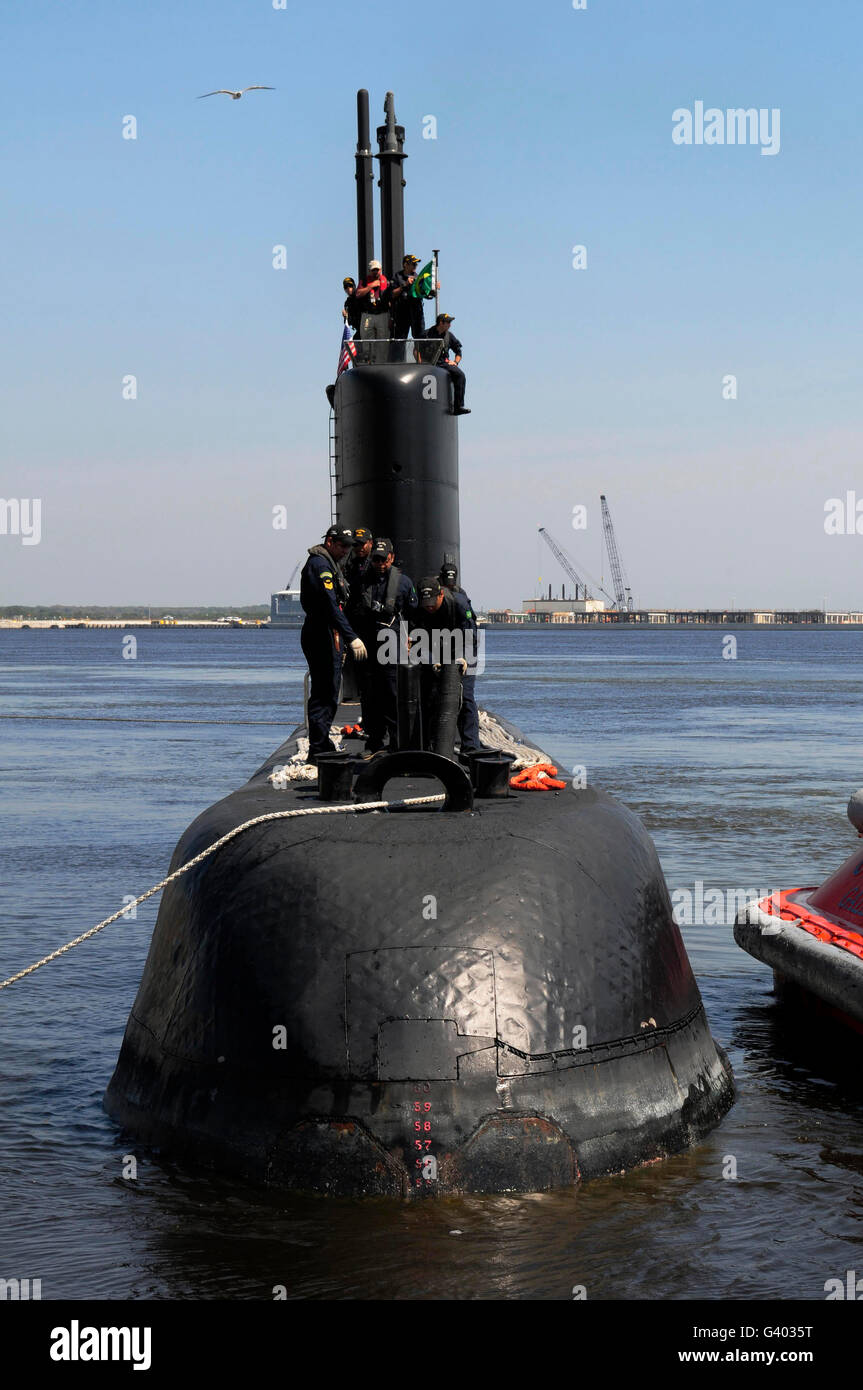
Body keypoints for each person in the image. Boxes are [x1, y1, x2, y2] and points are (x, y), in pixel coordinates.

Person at [299, 525, 367, 764]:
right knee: (324, 693)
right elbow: (329, 606)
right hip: (322, 634)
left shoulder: (330, 564)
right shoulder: (320, 566)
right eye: (342, 545)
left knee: (328, 692)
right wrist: (352, 637)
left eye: (349, 547)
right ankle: (317, 750)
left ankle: (321, 742)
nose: (346, 551)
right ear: (329, 542)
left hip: (328, 633)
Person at [350, 537, 417, 755]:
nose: (380, 564)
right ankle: (374, 742)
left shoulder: (403, 583)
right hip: (368, 643)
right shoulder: (362, 579)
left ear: (392, 558)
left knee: (391, 694)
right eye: (376, 560)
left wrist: (412, 640)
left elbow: (413, 615)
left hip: (391, 642)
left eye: (384, 560)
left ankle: (398, 744)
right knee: (370, 696)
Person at [410, 575, 480, 752]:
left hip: (463, 646)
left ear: (441, 594)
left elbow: (470, 635)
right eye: (426, 604)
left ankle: (470, 747)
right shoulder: (419, 609)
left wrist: (462, 658)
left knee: (464, 697)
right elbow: (418, 639)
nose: (430, 607)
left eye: (433, 602)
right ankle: (429, 743)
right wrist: (433, 660)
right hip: (437, 647)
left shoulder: (459, 604)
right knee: (430, 695)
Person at [417, 313, 470, 414]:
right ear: (441, 323)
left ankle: (458, 406)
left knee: (460, 375)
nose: (450, 325)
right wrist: (420, 364)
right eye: (448, 322)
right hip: (429, 363)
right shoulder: (426, 334)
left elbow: (458, 352)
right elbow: (416, 349)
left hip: (443, 363)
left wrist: (455, 362)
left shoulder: (449, 336)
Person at [354, 259, 390, 350]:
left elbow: (391, 299)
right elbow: (358, 294)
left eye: (377, 270)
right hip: (368, 314)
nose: (375, 272)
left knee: (383, 341)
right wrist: (371, 286)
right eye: (373, 270)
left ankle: (381, 361)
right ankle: (369, 360)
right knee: (367, 340)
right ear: (370, 271)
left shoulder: (386, 282)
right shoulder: (365, 281)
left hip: (382, 314)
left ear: (380, 270)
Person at [390, 254, 427, 341]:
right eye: (413, 264)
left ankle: (419, 355)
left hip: (417, 311)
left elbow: (426, 294)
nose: (415, 266)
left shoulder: (419, 278)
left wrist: (433, 289)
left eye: (416, 264)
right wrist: (405, 285)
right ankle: (399, 355)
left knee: (420, 339)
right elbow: (392, 294)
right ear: (405, 264)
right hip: (402, 312)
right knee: (400, 340)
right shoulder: (397, 277)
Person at [344, 526, 373, 591]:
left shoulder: (377, 563)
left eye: (362, 544)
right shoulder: (350, 563)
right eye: (356, 544)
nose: (359, 547)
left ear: (370, 543)